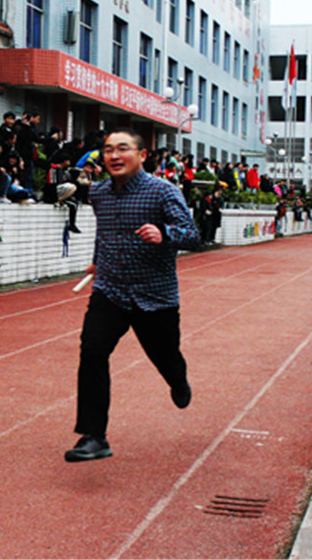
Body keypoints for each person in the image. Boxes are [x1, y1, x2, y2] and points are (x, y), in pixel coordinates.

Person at [65, 128, 200, 463]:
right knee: (92, 351)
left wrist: (164, 233)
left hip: (154, 296)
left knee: (165, 356)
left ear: (141, 155)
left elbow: (193, 235)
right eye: (108, 149)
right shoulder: (98, 194)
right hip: (110, 291)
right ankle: (94, 436)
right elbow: (105, 231)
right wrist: (99, 260)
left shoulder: (162, 191)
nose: (113, 155)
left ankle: (178, 380)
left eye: (122, 149)